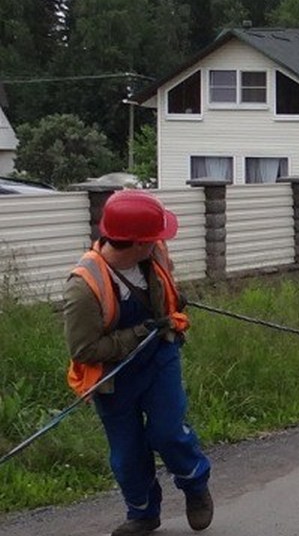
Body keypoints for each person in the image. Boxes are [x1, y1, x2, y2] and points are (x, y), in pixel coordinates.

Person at [62, 190, 213, 536]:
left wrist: (173, 304)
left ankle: (195, 485)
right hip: (113, 376)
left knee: (167, 432)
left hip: (159, 357)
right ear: (136, 243)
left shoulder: (152, 254)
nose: (159, 242)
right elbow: (84, 349)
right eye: (152, 238)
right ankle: (143, 513)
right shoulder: (83, 288)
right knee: (127, 453)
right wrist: (138, 332)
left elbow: (166, 288)